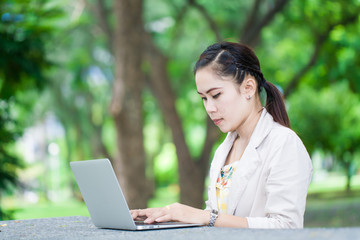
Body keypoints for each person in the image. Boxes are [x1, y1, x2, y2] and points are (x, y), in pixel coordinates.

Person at [131, 42, 313, 228]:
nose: (209, 108)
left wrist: (206, 217)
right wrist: (172, 215)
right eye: (204, 98)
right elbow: (218, 218)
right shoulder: (223, 151)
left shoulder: (284, 143)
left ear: (248, 88)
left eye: (216, 95)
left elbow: (287, 227)